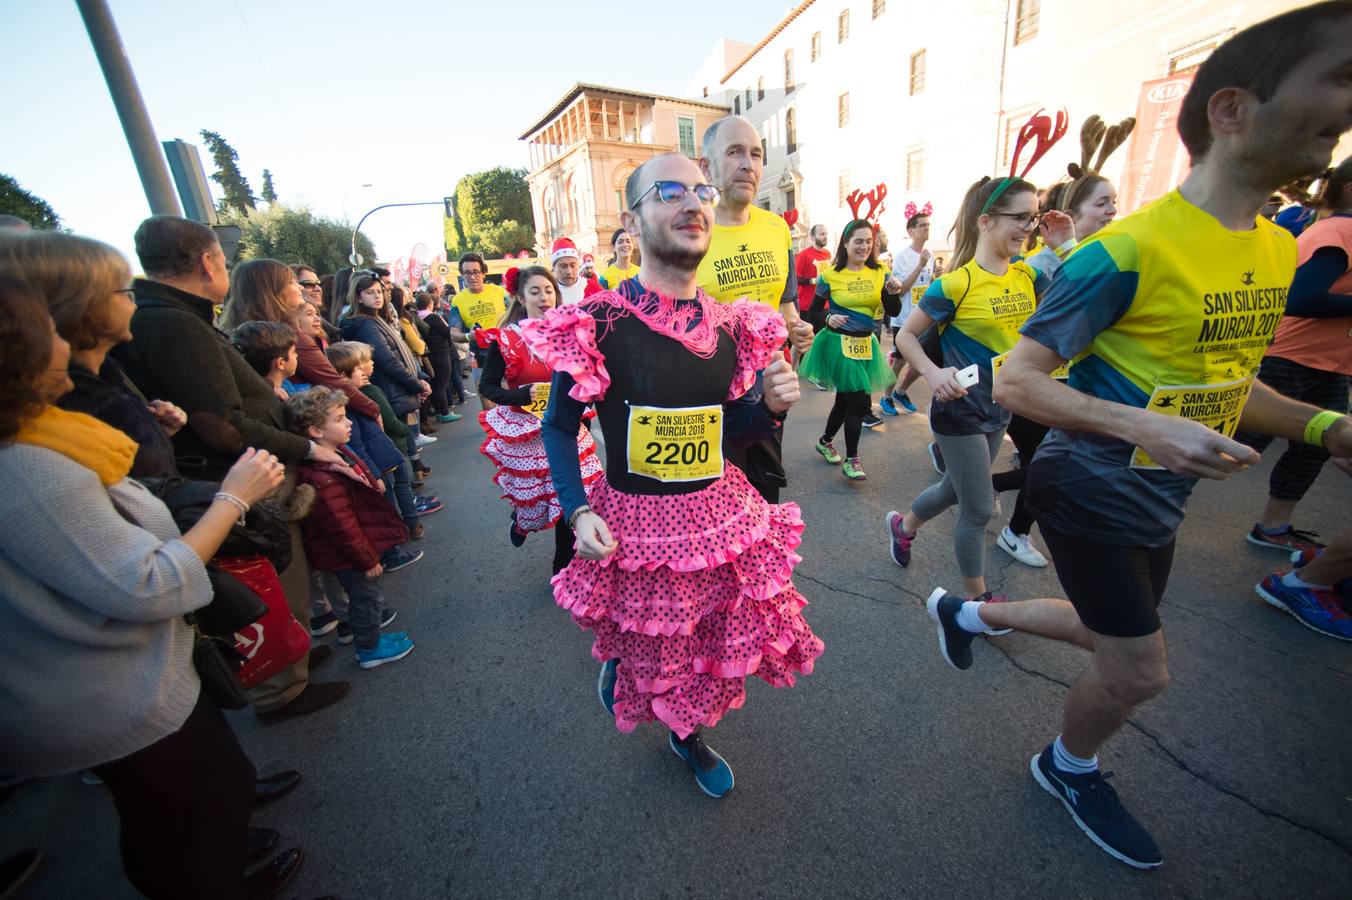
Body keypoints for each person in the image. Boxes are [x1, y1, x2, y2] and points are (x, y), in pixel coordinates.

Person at [933, 6, 1352, 869]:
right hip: (1089, 488)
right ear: (1232, 109)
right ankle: (1067, 765)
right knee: (1140, 670)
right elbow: (1017, 381)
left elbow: (1232, 386)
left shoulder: (1276, 249)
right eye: (1337, 78)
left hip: (1161, 496)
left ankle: (964, 612)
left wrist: (1321, 424)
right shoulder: (1122, 251)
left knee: (1104, 633)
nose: (1347, 109)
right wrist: (1144, 425)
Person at [0, 274, 303, 899]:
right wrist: (232, 499)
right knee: (186, 822)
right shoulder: (28, 466)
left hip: (128, 680)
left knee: (201, 806)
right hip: (110, 691)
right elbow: (147, 583)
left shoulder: (46, 443)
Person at [527, 153, 820, 798]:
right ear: (631, 220)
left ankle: (686, 733)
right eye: (668, 192)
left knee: (705, 644)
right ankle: (632, 675)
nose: (691, 204)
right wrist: (578, 511)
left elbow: (724, 430)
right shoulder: (598, 322)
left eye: (700, 190)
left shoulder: (729, 327)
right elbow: (557, 426)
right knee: (655, 648)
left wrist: (765, 409)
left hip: (718, 518)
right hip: (634, 525)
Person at [111, 215, 350, 724]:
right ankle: (282, 688)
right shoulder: (175, 322)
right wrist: (303, 447)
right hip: (245, 478)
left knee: (286, 579)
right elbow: (221, 422)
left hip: (242, 472)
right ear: (206, 262)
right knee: (276, 578)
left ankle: (293, 656)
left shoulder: (171, 316)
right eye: (220, 258)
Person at [888, 174, 1073, 585]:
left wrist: (1066, 243)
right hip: (959, 412)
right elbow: (905, 335)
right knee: (978, 511)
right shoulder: (956, 283)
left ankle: (903, 526)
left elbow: (1081, 288)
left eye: (1034, 218)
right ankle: (974, 604)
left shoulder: (1027, 275)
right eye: (1020, 217)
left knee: (955, 489)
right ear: (986, 221)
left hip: (1001, 409)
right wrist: (934, 374)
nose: (1029, 227)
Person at [990, 114, 1136, 568]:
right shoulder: (1043, 262)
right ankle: (1009, 525)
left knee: (1044, 462)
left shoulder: (1110, 253)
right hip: (1033, 380)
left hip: (1076, 380)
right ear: (1071, 215)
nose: (1111, 211)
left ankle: (988, 496)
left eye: (1114, 202)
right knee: (1044, 463)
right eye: (1101, 204)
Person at [694, 115, 815, 502]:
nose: (748, 164)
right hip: (711, 390)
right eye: (735, 152)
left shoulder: (777, 228)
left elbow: (786, 305)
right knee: (717, 497)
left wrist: (796, 328)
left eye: (756, 154)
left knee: (764, 490)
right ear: (706, 167)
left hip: (771, 384)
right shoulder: (691, 231)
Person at [0, 230, 184, 479]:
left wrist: (154, 431)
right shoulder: (69, 397)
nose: (134, 303)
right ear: (85, 306)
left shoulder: (106, 375)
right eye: (124, 292)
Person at [1238, 155, 1352, 555]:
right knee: (1238, 440)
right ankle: (1157, 497)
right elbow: (1302, 297)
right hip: (1291, 357)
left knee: (1319, 446)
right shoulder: (1338, 232)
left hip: (1331, 364)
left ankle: (1273, 526)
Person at [477, 266, 603, 572]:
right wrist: (522, 394)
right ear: (520, 297)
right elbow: (487, 387)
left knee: (574, 497)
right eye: (535, 291)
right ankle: (521, 521)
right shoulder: (505, 339)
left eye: (548, 291)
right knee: (534, 503)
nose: (544, 297)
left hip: (568, 426)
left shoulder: (568, 333)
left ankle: (564, 565)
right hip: (527, 432)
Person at [285, 387, 416, 668]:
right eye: (341, 418)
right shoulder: (323, 477)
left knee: (362, 596)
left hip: (348, 551)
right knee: (366, 598)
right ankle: (369, 648)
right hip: (351, 554)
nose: (349, 423)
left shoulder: (333, 456)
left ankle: (366, 638)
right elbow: (341, 526)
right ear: (315, 431)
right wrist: (366, 558)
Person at [800, 219, 904, 480]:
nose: (864, 247)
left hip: (866, 344)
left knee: (844, 400)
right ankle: (853, 459)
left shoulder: (880, 272)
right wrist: (827, 318)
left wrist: (892, 293)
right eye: (858, 241)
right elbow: (813, 311)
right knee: (858, 400)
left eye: (869, 241)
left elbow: (893, 312)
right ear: (845, 243)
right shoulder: (830, 275)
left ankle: (824, 442)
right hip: (838, 344)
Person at [880, 205, 937, 416]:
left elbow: (927, 284)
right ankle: (886, 396)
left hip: (924, 316)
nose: (926, 229)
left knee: (926, 358)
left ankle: (901, 391)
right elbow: (902, 289)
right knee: (901, 360)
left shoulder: (928, 255)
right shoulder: (904, 257)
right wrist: (920, 266)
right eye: (922, 226)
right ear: (911, 231)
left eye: (928, 225)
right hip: (904, 318)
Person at [417, 290, 463, 422]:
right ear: (430, 304)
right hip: (441, 353)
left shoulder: (416, 318)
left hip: (428, 356)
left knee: (436, 384)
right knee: (441, 384)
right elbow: (447, 332)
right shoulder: (433, 318)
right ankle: (444, 412)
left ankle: (440, 411)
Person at [795, 223, 832, 336]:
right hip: (807, 307)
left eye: (826, 234)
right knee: (808, 343)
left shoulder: (827, 254)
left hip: (825, 306)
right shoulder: (803, 255)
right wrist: (813, 280)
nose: (825, 236)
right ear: (812, 237)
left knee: (823, 341)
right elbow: (795, 279)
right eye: (821, 234)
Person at [550, 237, 603, 305]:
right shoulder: (548, 292)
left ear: (578, 265)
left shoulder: (593, 287)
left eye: (573, 265)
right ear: (554, 267)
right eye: (563, 266)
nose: (569, 272)